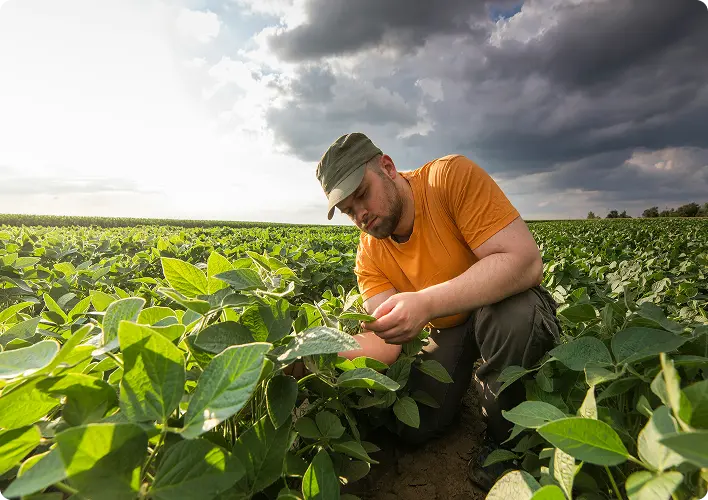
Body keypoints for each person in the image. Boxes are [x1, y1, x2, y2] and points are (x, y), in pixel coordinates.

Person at [315, 132, 561, 491]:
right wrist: (313, 352)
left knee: (515, 318)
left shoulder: (449, 178)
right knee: (417, 425)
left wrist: (426, 302)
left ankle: (507, 439)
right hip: (450, 328)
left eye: (362, 195)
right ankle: (474, 386)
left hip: (500, 305)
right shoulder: (369, 254)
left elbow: (524, 261)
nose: (360, 215)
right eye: (349, 211)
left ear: (388, 168)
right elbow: (386, 344)